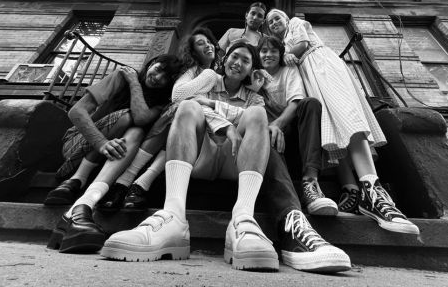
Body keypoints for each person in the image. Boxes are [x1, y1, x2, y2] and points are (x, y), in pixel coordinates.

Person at [100, 42, 279, 271]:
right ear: (224, 59)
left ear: (251, 70)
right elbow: (191, 102)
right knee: (187, 107)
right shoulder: (208, 80)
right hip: (199, 155)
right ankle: (173, 216)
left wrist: (213, 104)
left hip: (236, 161)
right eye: (235, 56)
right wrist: (228, 126)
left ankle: (243, 219)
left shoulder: (254, 97)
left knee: (257, 114)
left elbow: (254, 119)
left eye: (246, 61)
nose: (238, 63)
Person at [265, 9, 419, 235]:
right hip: (309, 75)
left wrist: (286, 53)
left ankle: (372, 190)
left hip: (320, 65)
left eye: (277, 18)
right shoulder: (281, 47)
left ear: (286, 19)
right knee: (333, 129)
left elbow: (303, 44)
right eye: (270, 22)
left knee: (346, 116)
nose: (274, 22)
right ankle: (351, 190)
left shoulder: (295, 24)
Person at [45, 55, 182, 253]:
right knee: (125, 118)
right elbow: (77, 111)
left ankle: (82, 205)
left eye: (166, 78)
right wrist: (101, 143)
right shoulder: (120, 76)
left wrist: (135, 83)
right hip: (77, 144)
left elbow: (141, 117)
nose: (158, 77)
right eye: (158, 69)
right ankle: (79, 179)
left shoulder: (160, 103)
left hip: (111, 159)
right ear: (151, 64)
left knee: (136, 131)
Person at [98, 27, 221, 211]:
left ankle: (133, 183)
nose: (208, 45)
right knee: (180, 111)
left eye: (210, 42)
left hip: (205, 130)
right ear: (194, 52)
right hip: (172, 124)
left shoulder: (219, 77)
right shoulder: (194, 72)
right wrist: (208, 77)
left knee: (186, 114)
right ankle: (126, 185)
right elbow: (178, 95)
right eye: (201, 43)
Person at [257, 35, 351, 272]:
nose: (268, 55)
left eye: (273, 51)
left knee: (310, 103)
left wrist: (277, 124)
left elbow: (296, 102)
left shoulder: (288, 70)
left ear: (281, 54)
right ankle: (293, 220)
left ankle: (310, 183)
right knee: (263, 129)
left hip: (292, 134)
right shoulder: (255, 75)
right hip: (267, 138)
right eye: (263, 51)